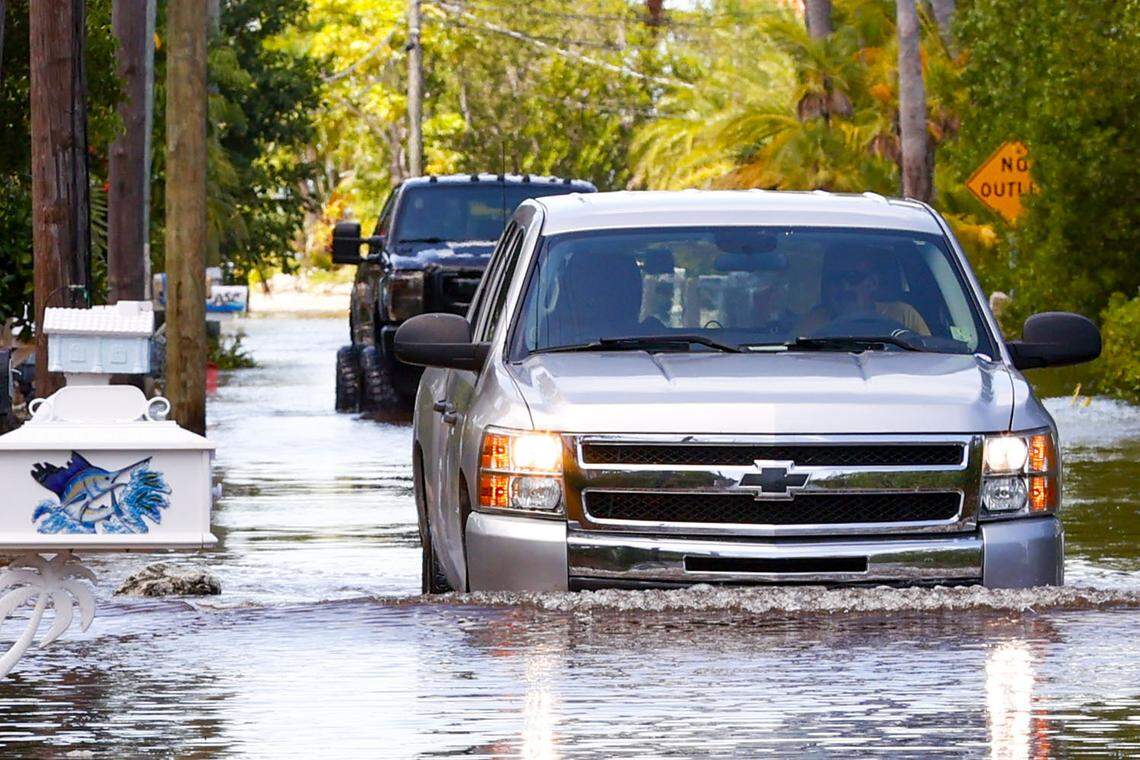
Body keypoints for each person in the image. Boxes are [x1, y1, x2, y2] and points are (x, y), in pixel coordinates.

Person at [798, 251, 931, 336]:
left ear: (873, 283)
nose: (844, 286)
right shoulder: (814, 321)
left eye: (853, 277)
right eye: (836, 278)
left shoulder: (904, 316)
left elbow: (929, 358)